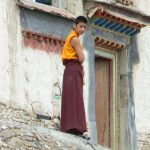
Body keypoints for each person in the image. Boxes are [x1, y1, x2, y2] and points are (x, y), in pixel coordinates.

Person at [60, 16, 88, 138]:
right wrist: (83, 56)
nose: (83, 29)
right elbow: (81, 58)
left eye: (85, 27)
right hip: (74, 68)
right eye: (81, 26)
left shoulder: (70, 37)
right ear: (74, 26)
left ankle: (69, 126)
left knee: (71, 96)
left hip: (69, 70)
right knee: (75, 96)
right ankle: (76, 127)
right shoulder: (75, 39)